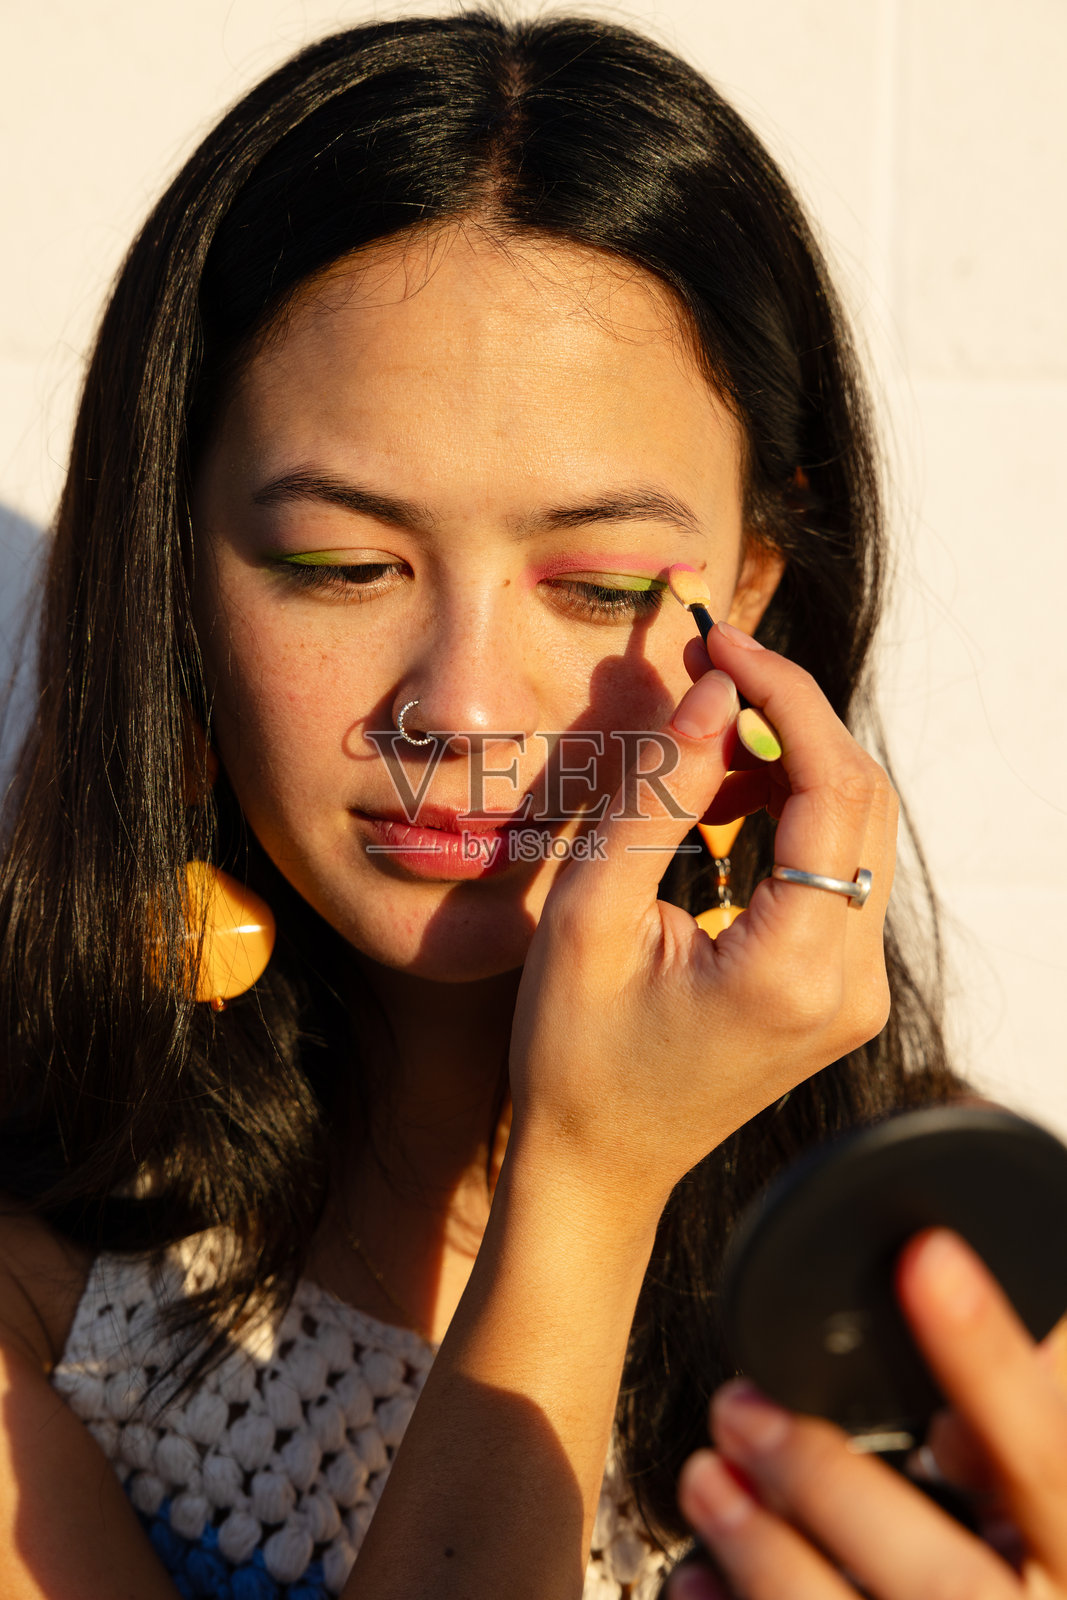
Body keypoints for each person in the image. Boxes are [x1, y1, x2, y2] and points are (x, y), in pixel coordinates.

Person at [1, 9, 1064, 1598]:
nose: (463, 708)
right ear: (175, 578)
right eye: (342, 565)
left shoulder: (942, 1263)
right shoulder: (38, 1277)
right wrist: (590, 1171)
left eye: (600, 583)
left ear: (750, 599)